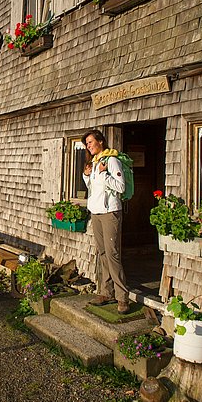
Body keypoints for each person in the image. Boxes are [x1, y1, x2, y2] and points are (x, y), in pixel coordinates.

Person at [82, 129, 130, 314]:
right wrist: (88, 175)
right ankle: (105, 292)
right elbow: (94, 188)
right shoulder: (94, 163)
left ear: (101, 141)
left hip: (110, 213)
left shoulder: (112, 161)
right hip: (96, 212)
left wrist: (104, 174)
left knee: (112, 254)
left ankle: (122, 297)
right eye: (86, 143)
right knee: (102, 253)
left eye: (90, 142)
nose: (88, 146)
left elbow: (120, 186)